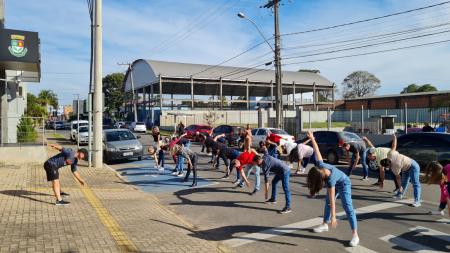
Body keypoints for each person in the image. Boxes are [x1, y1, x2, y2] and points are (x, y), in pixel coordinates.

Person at [306, 131, 359, 247]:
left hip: (344, 183)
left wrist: (334, 217)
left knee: (347, 207)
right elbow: (317, 150)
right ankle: (325, 224)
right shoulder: (320, 166)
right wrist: (312, 139)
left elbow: (332, 201)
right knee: (327, 203)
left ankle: (355, 235)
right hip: (337, 180)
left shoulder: (330, 180)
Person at [380, 134, 422, 207]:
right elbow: (394, 146)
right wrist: (394, 137)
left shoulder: (395, 166)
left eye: (386, 167)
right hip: (405, 166)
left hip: (413, 166)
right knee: (404, 182)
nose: (387, 168)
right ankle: (400, 195)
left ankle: (417, 201)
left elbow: (398, 177)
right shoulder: (390, 154)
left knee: (415, 184)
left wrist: (400, 187)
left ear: (388, 165)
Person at [253, 147, 292, 214]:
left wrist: (266, 192)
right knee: (274, 182)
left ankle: (288, 207)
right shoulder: (264, 156)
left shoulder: (265, 166)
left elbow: (266, 181)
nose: (256, 165)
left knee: (286, 189)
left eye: (256, 163)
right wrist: (264, 148)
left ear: (259, 161)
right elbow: (266, 150)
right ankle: (273, 199)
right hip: (280, 171)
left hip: (285, 171)